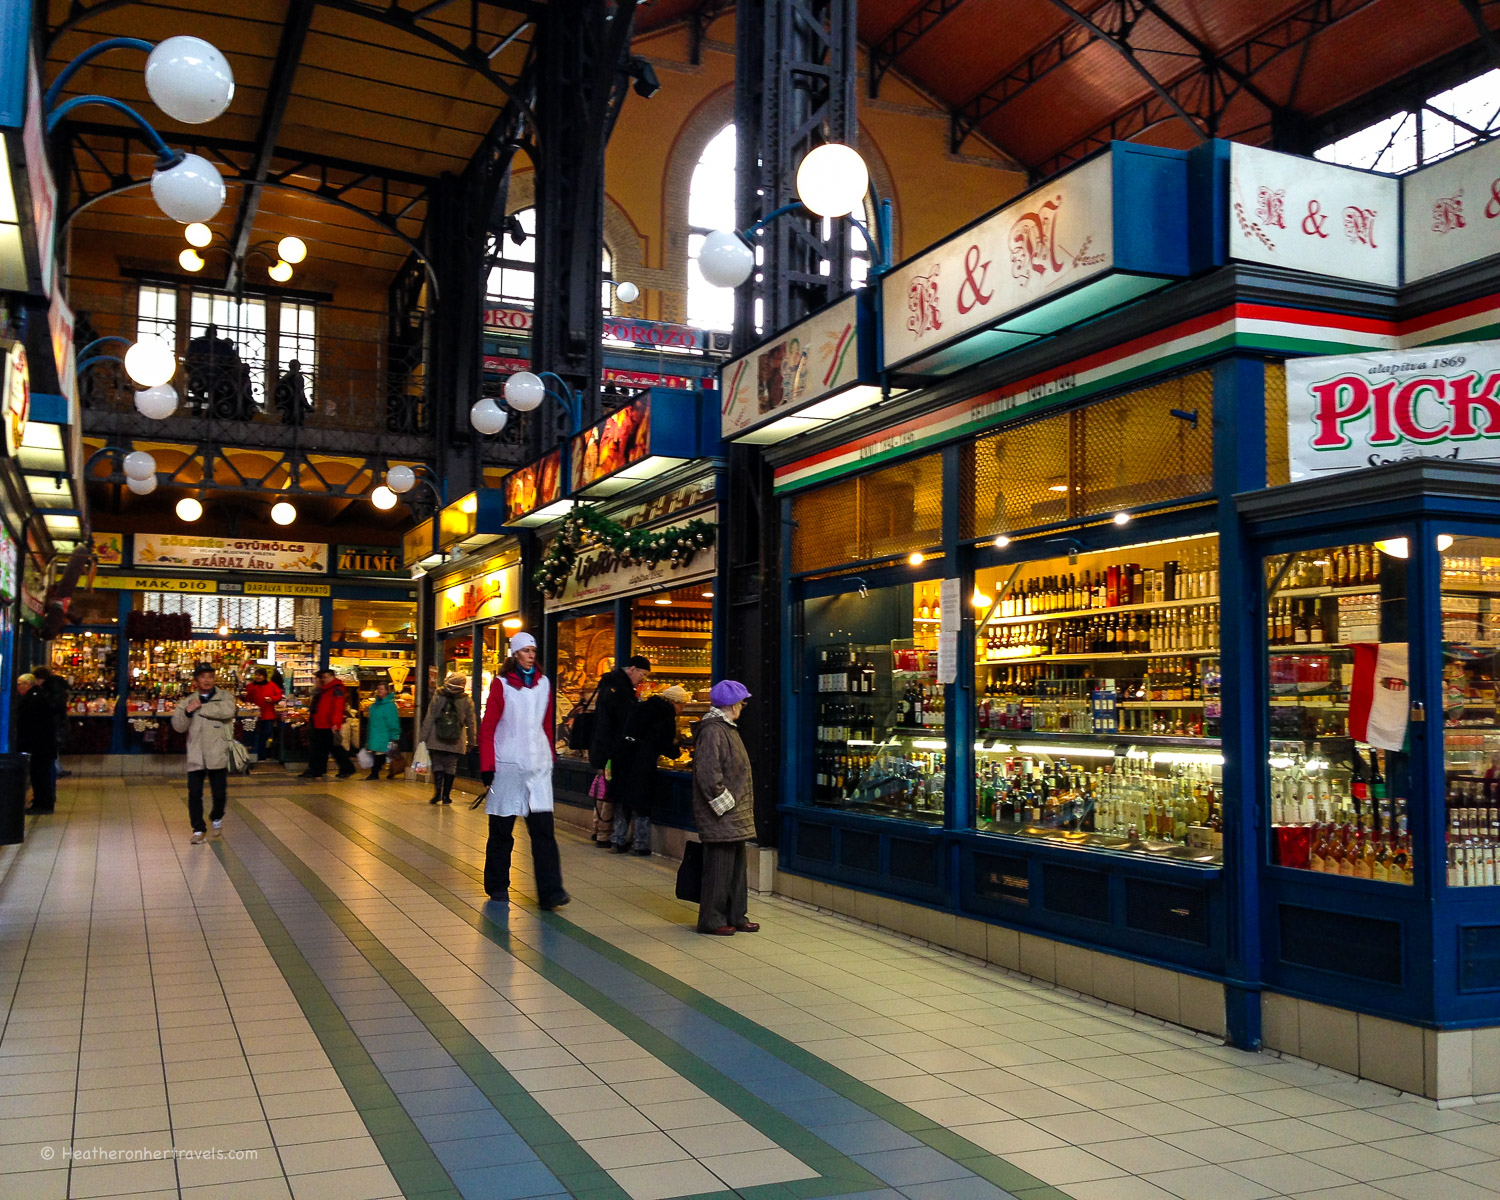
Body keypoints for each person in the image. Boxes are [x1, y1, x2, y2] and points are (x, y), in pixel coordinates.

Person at [478, 633, 568, 908]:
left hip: (538, 766)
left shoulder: (544, 685)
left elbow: (547, 724)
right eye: (526, 650)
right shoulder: (502, 685)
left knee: (544, 832)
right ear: (515, 654)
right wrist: (487, 766)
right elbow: (489, 727)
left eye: (533, 650)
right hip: (509, 766)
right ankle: (496, 885)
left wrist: (550, 756)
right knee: (501, 831)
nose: (531, 655)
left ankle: (551, 892)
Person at [691, 680, 758, 936]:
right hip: (723, 814)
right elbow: (708, 774)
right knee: (719, 869)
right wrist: (724, 804)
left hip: (734, 814)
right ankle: (712, 919)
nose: (743, 706)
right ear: (731, 705)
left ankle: (736, 915)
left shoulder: (726, 728)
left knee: (736, 868)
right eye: (741, 702)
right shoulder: (714, 731)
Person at [611, 685, 689, 856]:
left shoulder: (643, 706)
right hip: (642, 762)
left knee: (624, 801)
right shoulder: (665, 714)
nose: (681, 710)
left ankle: (617, 839)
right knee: (642, 803)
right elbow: (665, 744)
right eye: (681, 705)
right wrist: (678, 752)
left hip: (624, 757)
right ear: (673, 701)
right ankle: (640, 844)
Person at [171, 663, 237, 844]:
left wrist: (201, 708)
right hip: (196, 754)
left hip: (217, 752)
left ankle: (217, 816)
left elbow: (228, 711)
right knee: (194, 794)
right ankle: (198, 829)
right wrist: (187, 711)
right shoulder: (188, 701)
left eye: (210, 676)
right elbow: (178, 726)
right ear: (196, 681)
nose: (207, 680)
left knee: (219, 793)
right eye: (203, 676)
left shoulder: (225, 697)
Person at [588, 655, 650, 846]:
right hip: (611, 749)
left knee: (604, 790)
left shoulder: (612, 684)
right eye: (642, 674)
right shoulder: (618, 690)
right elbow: (617, 722)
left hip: (604, 748)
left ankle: (598, 830)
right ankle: (604, 834)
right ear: (632, 669)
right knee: (609, 793)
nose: (643, 679)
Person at [420, 672, 477, 804]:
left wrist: (423, 737)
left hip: (436, 737)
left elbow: (430, 716)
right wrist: (472, 741)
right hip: (456, 739)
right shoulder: (467, 700)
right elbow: (471, 722)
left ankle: (437, 793)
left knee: (438, 764)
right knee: (451, 766)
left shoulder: (438, 695)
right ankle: (446, 796)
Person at [302, 669, 357, 780]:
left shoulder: (336, 689)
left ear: (332, 676)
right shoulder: (324, 689)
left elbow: (338, 707)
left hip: (327, 724)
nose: (324, 679)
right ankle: (319, 770)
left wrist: (335, 723)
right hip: (320, 722)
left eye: (326, 677)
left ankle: (343, 768)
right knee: (326, 748)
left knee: (332, 748)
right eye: (323, 677)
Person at [16, 674, 56, 814]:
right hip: (41, 744)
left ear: (28, 684)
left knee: (39, 774)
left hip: (38, 745)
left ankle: (42, 803)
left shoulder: (34, 699)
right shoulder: (38, 696)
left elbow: (31, 723)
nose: (18, 687)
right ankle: (41, 801)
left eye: (20, 684)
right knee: (39, 774)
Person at [31, 666, 68, 779]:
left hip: (52, 724)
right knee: (52, 750)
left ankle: (55, 770)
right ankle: (57, 769)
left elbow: (55, 705)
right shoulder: (56, 687)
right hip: (57, 723)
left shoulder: (49, 689)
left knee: (50, 750)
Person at [244, 668, 283, 770]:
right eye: (256, 675)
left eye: (260, 675)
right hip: (254, 715)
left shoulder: (271, 685)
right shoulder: (251, 686)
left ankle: (263, 754)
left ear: (264, 676)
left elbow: (278, 695)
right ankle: (257, 754)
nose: (258, 677)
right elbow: (247, 698)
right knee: (256, 735)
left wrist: (272, 699)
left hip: (268, 715)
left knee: (266, 734)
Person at [363, 681, 403, 781]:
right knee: (378, 754)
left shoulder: (390, 706)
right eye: (379, 689)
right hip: (374, 734)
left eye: (382, 689)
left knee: (380, 754)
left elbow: (393, 722)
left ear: (387, 691)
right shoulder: (374, 705)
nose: (380, 691)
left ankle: (375, 773)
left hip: (384, 735)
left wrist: (395, 735)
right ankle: (379, 772)